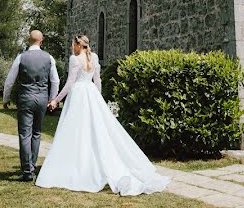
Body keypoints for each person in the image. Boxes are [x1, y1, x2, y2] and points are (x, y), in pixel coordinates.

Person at [35, 34, 169, 195]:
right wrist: (98, 99)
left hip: (78, 95)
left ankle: (77, 165)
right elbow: (97, 81)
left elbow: (70, 83)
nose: (72, 47)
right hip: (91, 94)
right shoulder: (95, 57)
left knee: (76, 131)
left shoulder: (74, 59)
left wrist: (56, 100)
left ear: (78, 45)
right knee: (94, 132)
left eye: (73, 44)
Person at [2, 30, 60, 182]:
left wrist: (6, 98)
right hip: (42, 98)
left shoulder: (21, 57)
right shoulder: (49, 58)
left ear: (29, 40)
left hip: (26, 98)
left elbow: (10, 80)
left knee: (25, 133)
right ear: (42, 41)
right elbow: (55, 80)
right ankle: (32, 166)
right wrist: (52, 99)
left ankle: (27, 171)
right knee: (36, 133)